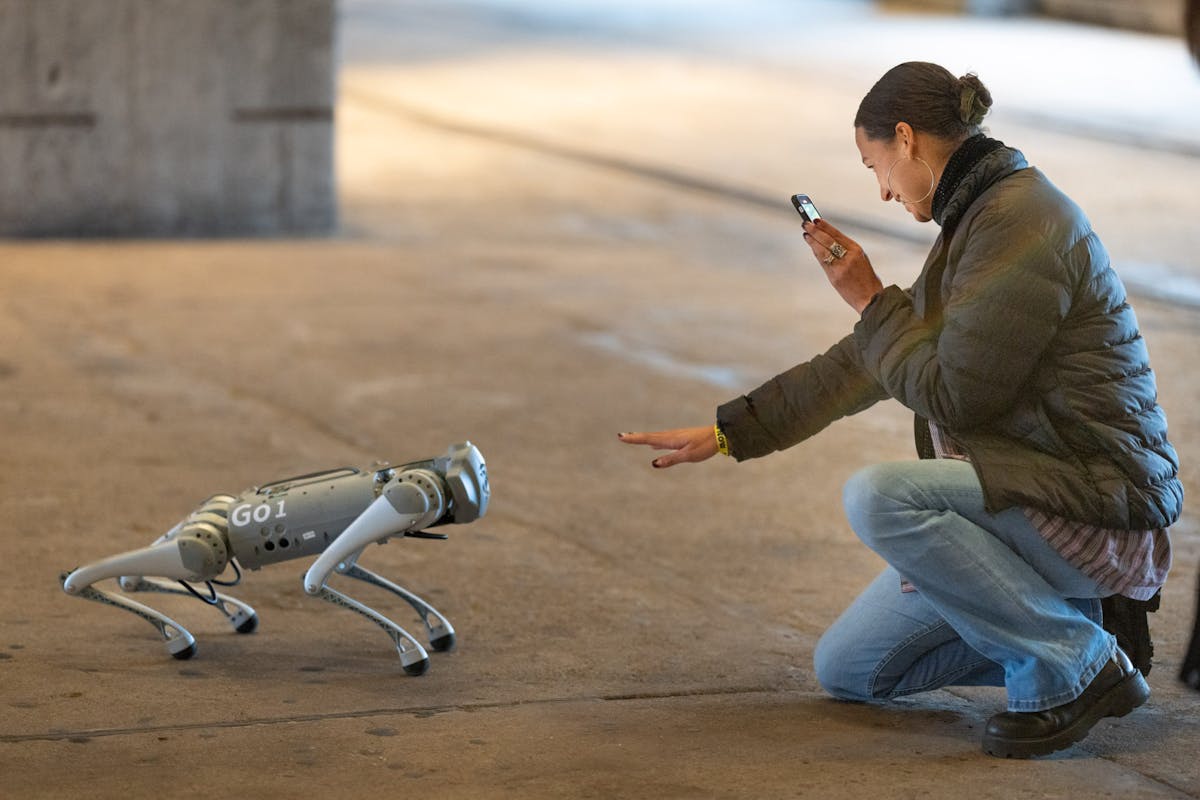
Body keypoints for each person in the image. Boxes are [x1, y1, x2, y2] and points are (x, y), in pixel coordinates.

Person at [619, 62, 1182, 758]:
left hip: (1097, 506)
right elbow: (868, 362)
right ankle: (1081, 632)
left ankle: (1072, 662)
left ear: (908, 140)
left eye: (875, 164)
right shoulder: (978, 220)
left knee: (881, 497)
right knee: (849, 670)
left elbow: (955, 393)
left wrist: (868, 298)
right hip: (1033, 494)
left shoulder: (1020, 221)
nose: (881, 191)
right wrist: (730, 431)